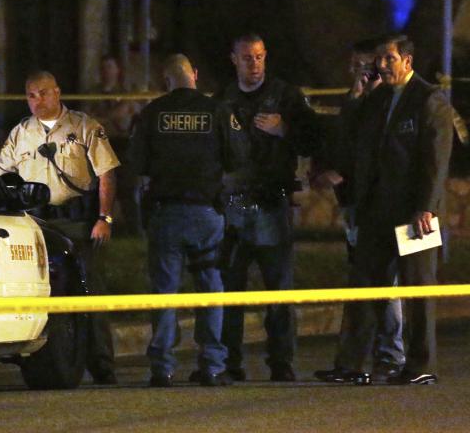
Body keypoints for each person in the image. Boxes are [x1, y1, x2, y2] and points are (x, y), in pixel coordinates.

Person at [332, 35, 453, 385]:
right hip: (376, 211)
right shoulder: (377, 98)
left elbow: (436, 160)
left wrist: (426, 207)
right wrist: (355, 99)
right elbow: (353, 139)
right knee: (365, 287)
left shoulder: (429, 100)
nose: (380, 65)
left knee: (417, 290)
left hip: (415, 214)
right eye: (378, 60)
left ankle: (420, 365)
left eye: (388, 59)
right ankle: (353, 364)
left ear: (408, 61)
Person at [0, 70, 120, 385]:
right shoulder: (21, 133)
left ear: (58, 92)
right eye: (31, 95)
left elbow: (107, 174)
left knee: (88, 291)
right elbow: (2, 177)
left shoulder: (84, 126)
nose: (38, 100)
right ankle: (51, 359)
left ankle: (101, 363)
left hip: (77, 223)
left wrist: (104, 218)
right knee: (42, 293)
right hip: (36, 225)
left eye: (44, 93)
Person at [220, 33, 320, 382]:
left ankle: (281, 361)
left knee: (279, 290)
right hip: (232, 206)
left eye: (260, 57)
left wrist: (284, 130)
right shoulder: (223, 98)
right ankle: (229, 363)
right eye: (247, 57)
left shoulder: (286, 96)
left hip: (272, 204)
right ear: (234, 59)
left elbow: (312, 138)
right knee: (230, 291)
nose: (255, 64)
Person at [130, 54, 232, 387]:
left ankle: (163, 367)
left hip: (167, 213)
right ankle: (213, 365)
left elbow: (137, 163)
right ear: (195, 75)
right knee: (210, 289)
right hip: (206, 213)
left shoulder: (151, 113)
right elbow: (237, 157)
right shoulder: (217, 110)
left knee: (165, 292)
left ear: (166, 79)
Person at [313, 39, 405, 383]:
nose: (358, 73)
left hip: (382, 208)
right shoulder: (356, 102)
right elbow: (341, 140)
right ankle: (360, 360)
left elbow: (375, 155)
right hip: (354, 205)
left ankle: (390, 355)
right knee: (363, 280)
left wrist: (346, 173)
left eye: (364, 67)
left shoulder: (387, 104)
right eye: (353, 67)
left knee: (387, 282)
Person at [86, 55, 142, 235]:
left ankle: (134, 232)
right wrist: (115, 113)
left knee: (127, 189)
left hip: (122, 145)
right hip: (102, 146)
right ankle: (96, 230)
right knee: (98, 191)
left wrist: (109, 117)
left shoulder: (126, 93)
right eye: (104, 68)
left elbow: (133, 114)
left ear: (117, 71)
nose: (107, 72)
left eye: (110, 67)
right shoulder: (93, 94)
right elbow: (89, 120)